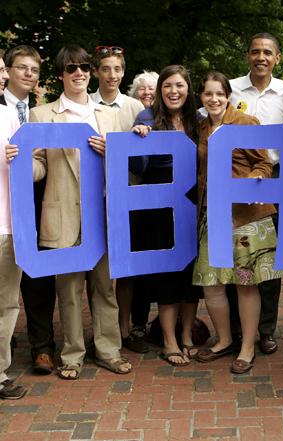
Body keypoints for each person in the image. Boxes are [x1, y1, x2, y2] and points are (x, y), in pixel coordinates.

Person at [8, 44, 132, 380]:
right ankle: (73, 355)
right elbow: (38, 165)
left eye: (84, 68)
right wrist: (17, 163)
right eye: (71, 68)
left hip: (104, 213)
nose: (79, 73)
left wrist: (114, 153)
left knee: (105, 288)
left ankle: (109, 350)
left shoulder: (110, 114)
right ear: (61, 74)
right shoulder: (42, 114)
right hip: (63, 213)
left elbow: (130, 164)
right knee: (69, 290)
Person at [193, 71, 283, 373]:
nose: (214, 99)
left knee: (246, 284)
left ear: (228, 96)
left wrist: (254, 179)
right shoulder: (201, 127)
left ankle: (247, 347)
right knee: (213, 284)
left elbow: (264, 162)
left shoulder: (246, 124)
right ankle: (224, 340)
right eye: (208, 94)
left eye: (219, 94)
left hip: (246, 216)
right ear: (202, 98)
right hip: (212, 214)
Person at [131, 65, 202, 367]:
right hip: (160, 208)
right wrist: (138, 140)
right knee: (168, 275)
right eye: (168, 86)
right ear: (160, 90)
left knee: (191, 276)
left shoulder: (198, 121)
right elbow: (138, 166)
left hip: (193, 206)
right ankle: (168, 341)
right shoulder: (148, 118)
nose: (174, 92)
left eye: (180, 86)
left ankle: (187, 335)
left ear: (188, 89)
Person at [228, 32, 283, 355]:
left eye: (268, 52)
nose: (261, 57)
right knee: (236, 253)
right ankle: (238, 329)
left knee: (268, 257)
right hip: (236, 178)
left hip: (273, 178)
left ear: (277, 58)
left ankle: (266, 329)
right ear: (247, 55)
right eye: (255, 51)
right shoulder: (232, 89)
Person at [1, 45, 57, 375]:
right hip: (3, 203)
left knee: (39, 276)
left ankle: (42, 346)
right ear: (7, 70)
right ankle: (4, 344)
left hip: (35, 199)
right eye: (22, 68)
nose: (29, 74)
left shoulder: (39, 112)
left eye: (34, 70)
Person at [90, 45, 148, 354]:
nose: (112, 75)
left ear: (123, 72)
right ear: (96, 72)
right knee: (97, 270)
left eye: (117, 69)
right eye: (106, 69)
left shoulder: (136, 107)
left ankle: (124, 328)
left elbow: (141, 155)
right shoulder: (85, 105)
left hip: (127, 196)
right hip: (93, 195)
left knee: (125, 268)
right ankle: (103, 331)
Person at [0, 103, 26, 399]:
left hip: (8, 225)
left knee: (6, 305)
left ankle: (0, 373)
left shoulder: (8, 115)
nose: (3, 76)